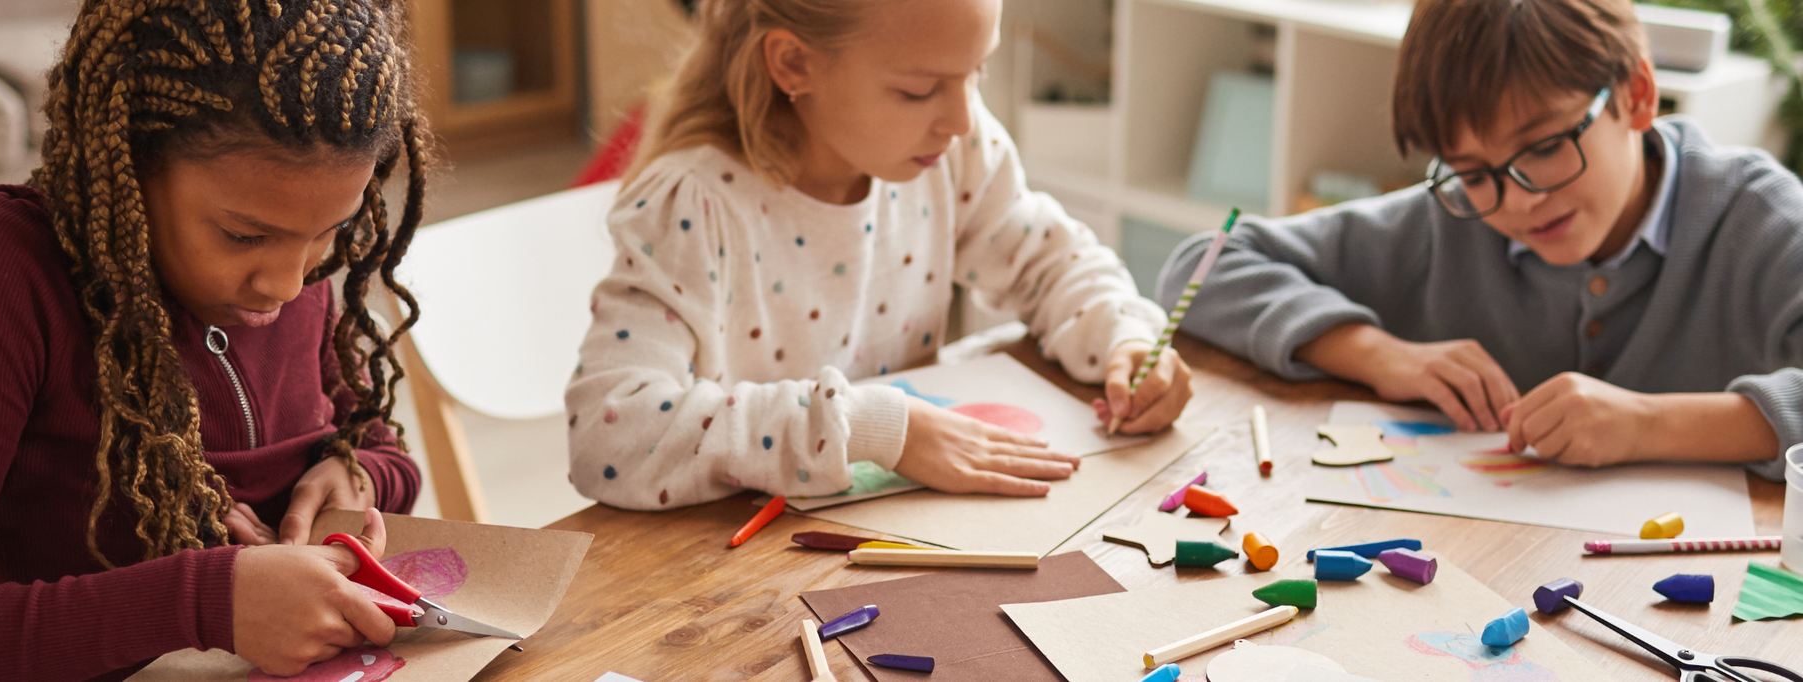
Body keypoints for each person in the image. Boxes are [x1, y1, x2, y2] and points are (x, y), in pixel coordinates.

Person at [0, 0, 434, 678]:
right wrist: (210, 601)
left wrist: (357, 476)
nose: (290, 284)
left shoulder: (292, 267)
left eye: (329, 232)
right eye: (244, 235)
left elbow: (380, 448)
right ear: (126, 161)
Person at [566, 0, 1191, 511]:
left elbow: (1050, 263)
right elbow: (612, 434)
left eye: (977, 73)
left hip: (909, 526)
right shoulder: (692, 206)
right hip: (744, 565)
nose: (962, 119)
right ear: (793, 64)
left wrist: (1123, 336)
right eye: (920, 90)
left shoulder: (951, 153)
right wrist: (871, 428)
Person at [1159, 0, 1799, 475]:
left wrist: (1650, 426)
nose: (1517, 201)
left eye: (1546, 148)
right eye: (1472, 170)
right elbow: (1204, 264)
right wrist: (1379, 354)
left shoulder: (1759, 221)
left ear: (1637, 94)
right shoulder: (1454, 219)